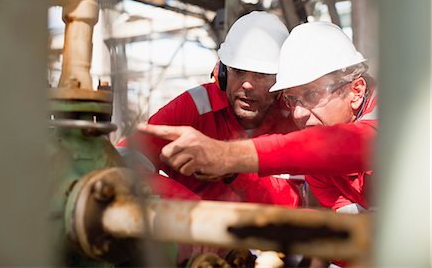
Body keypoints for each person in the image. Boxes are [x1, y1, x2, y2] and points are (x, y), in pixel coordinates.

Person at [137, 21, 378, 213]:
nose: (299, 113)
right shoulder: (195, 106)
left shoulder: (394, 118)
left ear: (356, 91)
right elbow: (350, 237)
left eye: (312, 93)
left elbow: (344, 145)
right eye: (293, 99)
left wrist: (228, 158)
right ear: (221, 72)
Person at [118, 11, 302, 207]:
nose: (247, 85)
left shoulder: (296, 120)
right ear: (222, 72)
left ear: (282, 82)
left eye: (261, 74)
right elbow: (121, 161)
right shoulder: (196, 106)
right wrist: (190, 205)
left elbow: (300, 203)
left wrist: (231, 166)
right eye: (238, 71)